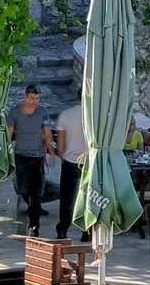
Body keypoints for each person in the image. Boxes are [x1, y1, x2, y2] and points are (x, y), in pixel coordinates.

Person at [6, 85, 51, 236]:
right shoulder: (15, 112)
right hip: (21, 156)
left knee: (36, 192)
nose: (35, 101)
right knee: (23, 187)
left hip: (37, 156)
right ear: (25, 97)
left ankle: (34, 225)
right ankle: (29, 205)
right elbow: (9, 133)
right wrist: (6, 152)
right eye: (32, 98)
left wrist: (49, 149)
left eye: (37, 99)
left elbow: (47, 132)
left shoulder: (42, 111)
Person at [54, 96, 90, 241]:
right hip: (89, 161)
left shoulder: (65, 115)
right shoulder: (94, 116)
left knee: (67, 198)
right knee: (87, 197)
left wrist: (63, 155)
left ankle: (63, 229)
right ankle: (86, 229)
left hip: (70, 160)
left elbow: (60, 142)